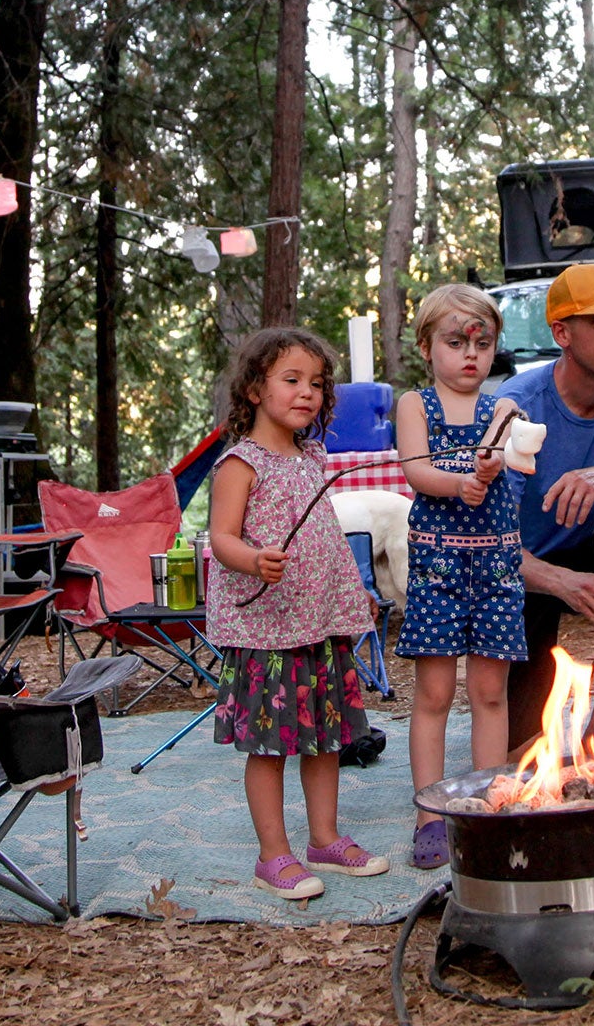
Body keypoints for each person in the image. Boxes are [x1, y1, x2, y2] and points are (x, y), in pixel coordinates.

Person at [207, 328, 389, 901]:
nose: (307, 393)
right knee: (270, 744)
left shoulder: (314, 455)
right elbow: (220, 539)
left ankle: (325, 839)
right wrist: (254, 559)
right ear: (256, 388)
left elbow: (327, 536)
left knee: (327, 737)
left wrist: (352, 590)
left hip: (320, 625)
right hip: (266, 631)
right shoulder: (240, 463)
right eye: (292, 380)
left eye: (316, 383)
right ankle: (273, 854)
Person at [495, 263, 594, 750]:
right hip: (522, 566)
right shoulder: (520, 405)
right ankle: (521, 728)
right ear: (562, 333)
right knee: (519, 746)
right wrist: (559, 581)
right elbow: (487, 540)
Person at [394, 284, 525, 871]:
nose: (470, 354)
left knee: (490, 693)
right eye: (455, 341)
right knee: (434, 694)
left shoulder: (503, 408)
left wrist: (496, 460)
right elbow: (418, 470)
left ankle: (488, 803)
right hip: (438, 567)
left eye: (482, 342)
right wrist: (460, 483)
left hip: (496, 567)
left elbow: (514, 457)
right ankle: (430, 812)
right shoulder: (413, 406)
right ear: (428, 346)